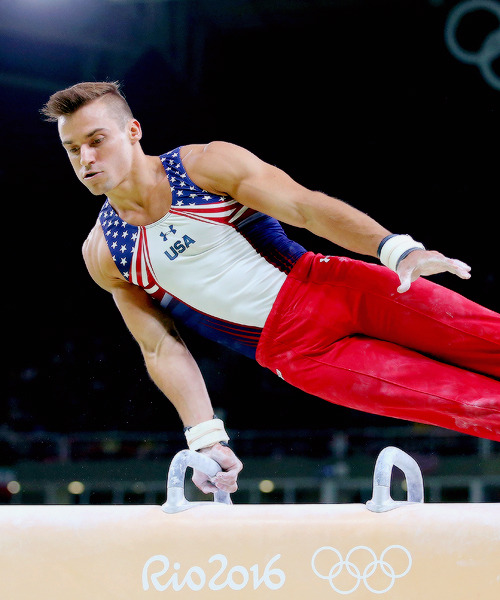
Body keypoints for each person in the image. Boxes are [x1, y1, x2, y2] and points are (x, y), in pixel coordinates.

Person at [41, 81, 500, 495]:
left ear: (134, 131)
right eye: (72, 148)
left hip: (335, 286)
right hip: (299, 354)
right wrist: (205, 436)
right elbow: (160, 345)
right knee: (466, 403)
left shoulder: (204, 167)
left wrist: (396, 249)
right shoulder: (104, 253)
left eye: (97, 140)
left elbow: (305, 207)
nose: (87, 159)